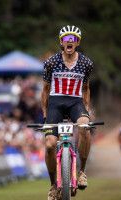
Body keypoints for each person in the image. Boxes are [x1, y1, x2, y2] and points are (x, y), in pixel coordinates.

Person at [41, 25, 94, 200]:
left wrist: (86, 109)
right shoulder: (51, 62)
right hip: (55, 103)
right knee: (49, 145)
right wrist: (44, 114)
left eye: (73, 39)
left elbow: (86, 88)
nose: (69, 41)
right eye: (66, 39)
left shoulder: (86, 63)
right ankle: (53, 186)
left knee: (85, 128)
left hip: (75, 102)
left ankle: (81, 172)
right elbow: (45, 90)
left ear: (77, 42)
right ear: (61, 42)